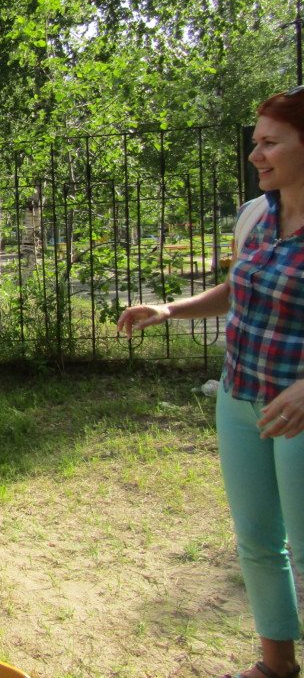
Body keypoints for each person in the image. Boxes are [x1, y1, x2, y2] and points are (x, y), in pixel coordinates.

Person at [117, 86, 304, 678]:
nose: (255, 155)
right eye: (256, 141)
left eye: (270, 143)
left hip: (297, 411)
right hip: (239, 396)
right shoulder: (259, 215)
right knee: (257, 540)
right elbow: (238, 289)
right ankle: (276, 666)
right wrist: (170, 309)